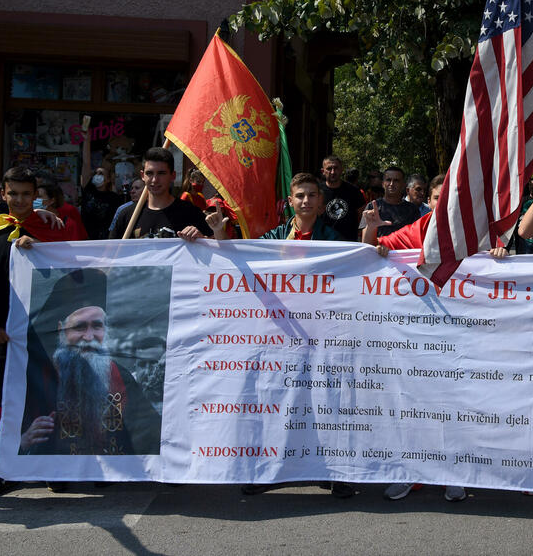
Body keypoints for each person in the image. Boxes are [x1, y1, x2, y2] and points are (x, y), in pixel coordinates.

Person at [362, 174, 504, 503]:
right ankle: (411, 473)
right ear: (430, 201)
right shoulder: (420, 227)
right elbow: (371, 253)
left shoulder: (479, 230)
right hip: (420, 333)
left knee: (456, 406)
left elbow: (502, 265)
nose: (443, 204)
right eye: (437, 198)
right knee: (416, 405)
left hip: (463, 334)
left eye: (449, 199)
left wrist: (499, 254)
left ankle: (453, 473)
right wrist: (371, 231)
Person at [205, 174, 349, 497]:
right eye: (300, 195)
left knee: (324, 403)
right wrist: (217, 232)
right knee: (274, 402)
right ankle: (266, 471)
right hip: (280, 333)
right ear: (290, 201)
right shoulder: (274, 236)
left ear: (321, 202)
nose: (306, 201)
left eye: (312, 195)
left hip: (321, 332)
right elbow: (241, 257)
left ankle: (334, 473)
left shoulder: (335, 239)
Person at [0, 166, 74, 499]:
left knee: (45, 396)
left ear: (36, 196)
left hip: (43, 334)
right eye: (12, 193)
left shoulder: (51, 229)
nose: (19, 200)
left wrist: (41, 248)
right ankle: (8, 469)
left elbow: (72, 271)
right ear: (3, 194)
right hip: (5, 335)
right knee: (7, 399)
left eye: (26, 194)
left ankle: (47, 467)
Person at [20, 269, 161, 455]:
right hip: (62, 475)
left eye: (97, 326)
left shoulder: (120, 377)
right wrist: (23, 441)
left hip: (112, 476)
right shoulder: (39, 377)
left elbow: (149, 433)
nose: (89, 336)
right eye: (79, 327)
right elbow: (14, 434)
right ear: (61, 329)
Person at [111, 148, 211, 240]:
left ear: (173, 176)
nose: (155, 180)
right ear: (142, 175)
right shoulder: (127, 215)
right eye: (149, 173)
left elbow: (216, 251)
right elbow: (111, 255)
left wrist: (201, 239)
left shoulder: (190, 213)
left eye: (161, 173)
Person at [80, 136, 124, 239]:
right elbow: (86, 163)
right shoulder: (88, 191)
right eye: (96, 173)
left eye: (101, 173)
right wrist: (86, 139)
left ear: (108, 179)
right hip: (87, 239)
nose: (97, 175)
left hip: (106, 240)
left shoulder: (114, 198)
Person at [360, 166, 421, 237]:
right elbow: (364, 239)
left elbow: (416, 237)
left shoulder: (412, 209)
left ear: (403, 184)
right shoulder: (372, 207)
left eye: (396, 180)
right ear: (383, 183)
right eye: (388, 180)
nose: (391, 184)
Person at [318, 155, 366, 241]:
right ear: (323, 171)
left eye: (336, 168)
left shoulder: (354, 191)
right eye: (329, 169)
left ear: (341, 170)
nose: (333, 172)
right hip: (322, 241)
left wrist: (361, 234)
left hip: (348, 243)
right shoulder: (316, 191)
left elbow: (364, 215)